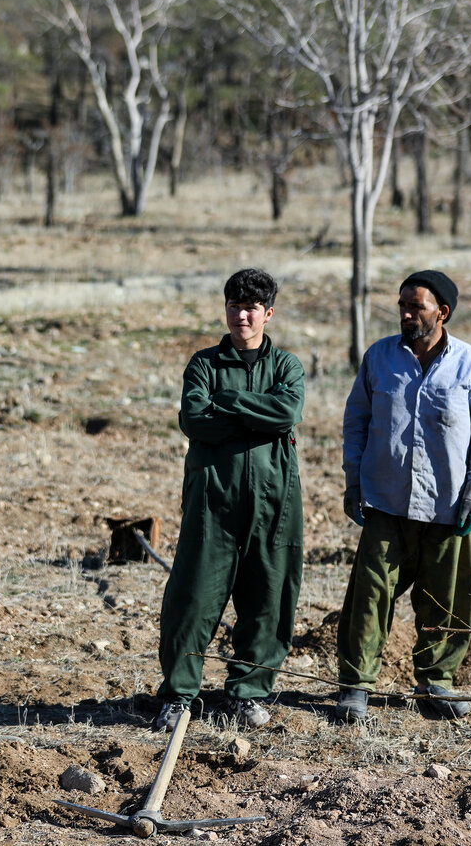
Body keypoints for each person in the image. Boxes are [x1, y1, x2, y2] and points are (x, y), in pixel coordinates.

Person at [336, 270, 471, 722]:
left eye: (417, 307)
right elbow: (356, 422)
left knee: (444, 598)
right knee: (369, 596)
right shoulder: (379, 359)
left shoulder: (470, 365)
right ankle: (355, 685)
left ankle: (436, 682)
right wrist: (353, 481)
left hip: (447, 506)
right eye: (403, 306)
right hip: (385, 502)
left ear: (442, 313)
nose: (407, 314)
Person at [155, 268, 304, 731]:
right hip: (211, 499)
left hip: (274, 499)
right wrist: (255, 413)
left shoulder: (287, 366)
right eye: (235, 306)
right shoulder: (203, 364)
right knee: (194, 595)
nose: (242, 315)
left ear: (268, 313)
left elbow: (287, 413)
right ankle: (181, 693)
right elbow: (195, 420)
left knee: (268, 593)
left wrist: (229, 403)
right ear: (225, 309)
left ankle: (247, 692)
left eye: (252, 308)